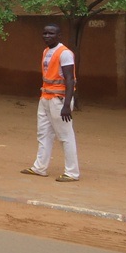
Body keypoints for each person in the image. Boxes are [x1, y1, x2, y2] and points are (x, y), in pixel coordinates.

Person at [21, 24, 80, 182]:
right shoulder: (46, 51)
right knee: (43, 134)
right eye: (45, 33)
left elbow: (69, 79)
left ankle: (72, 172)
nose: (47, 36)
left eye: (51, 33)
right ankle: (40, 167)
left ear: (59, 36)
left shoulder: (65, 53)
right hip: (46, 98)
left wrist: (67, 105)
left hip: (59, 100)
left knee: (65, 136)